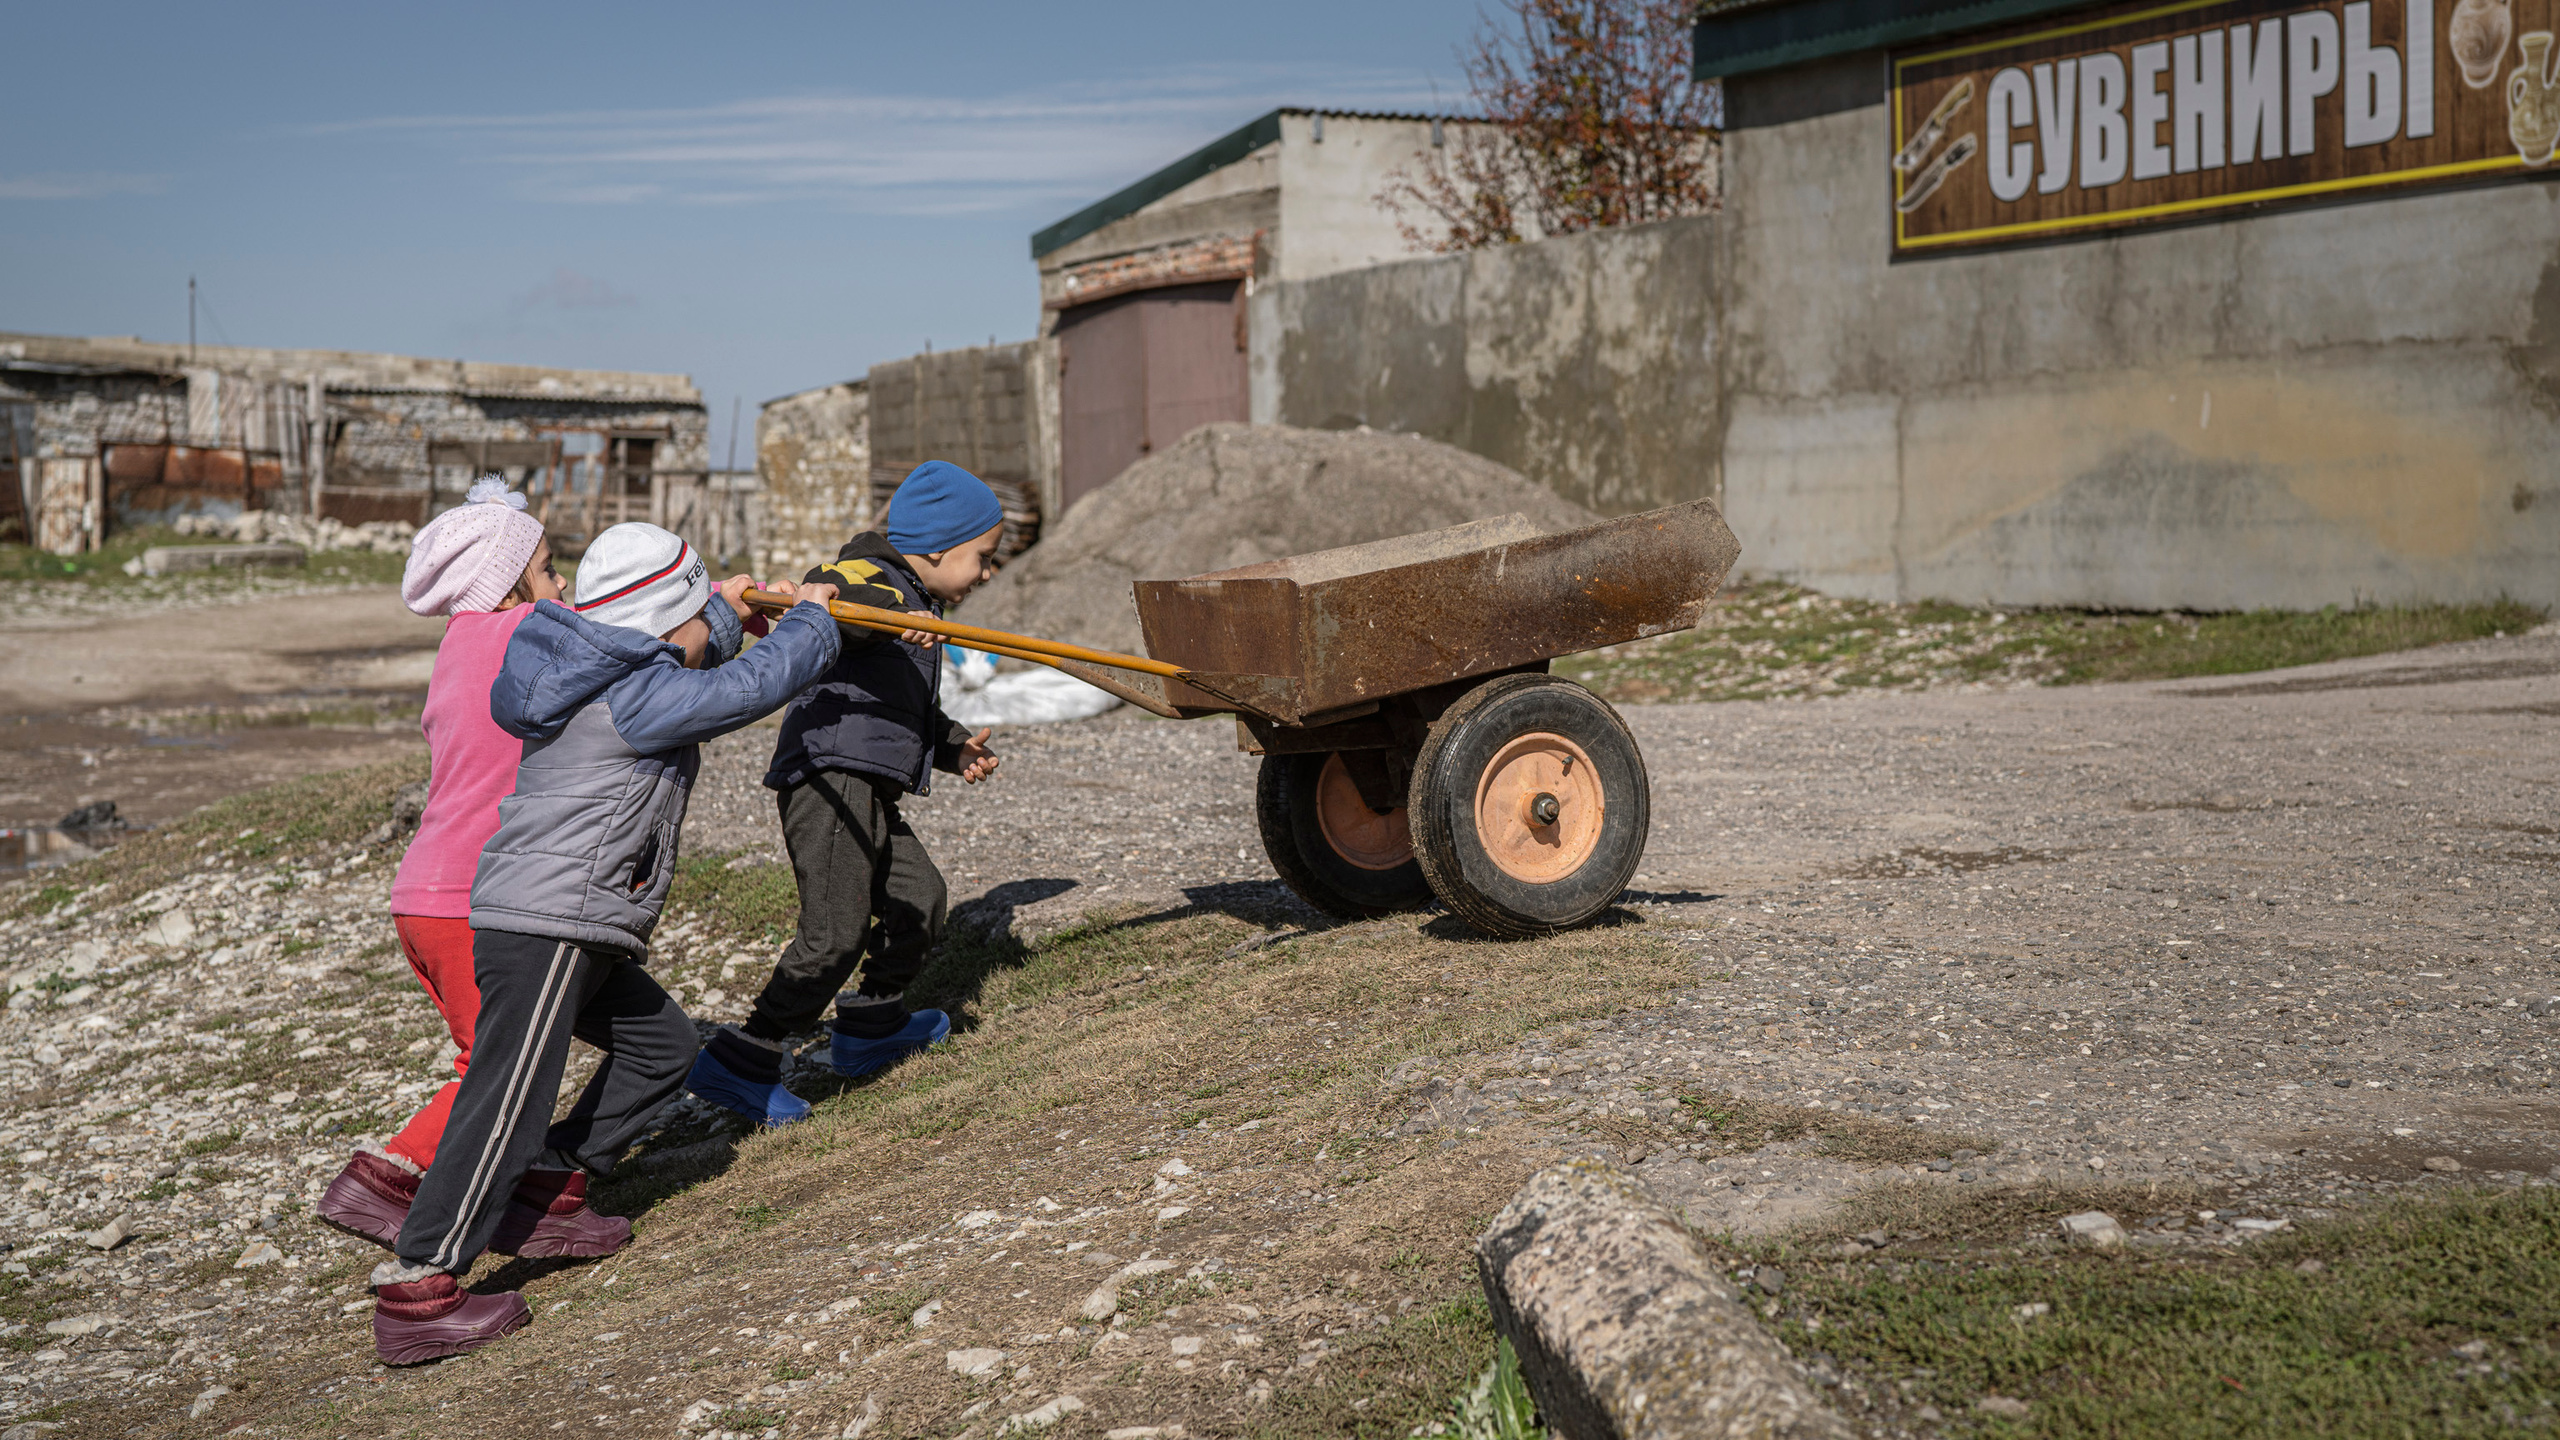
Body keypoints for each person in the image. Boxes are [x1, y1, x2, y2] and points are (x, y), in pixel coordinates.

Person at [368, 523, 842, 1365]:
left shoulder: (592, 663)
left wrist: (725, 612)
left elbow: (678, 649)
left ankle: (547, 1194)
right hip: (549, 921)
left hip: (559, 916)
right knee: (506, 1101)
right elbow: (745, 688)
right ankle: (419, 1287)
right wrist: (810, 620)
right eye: (695, 611)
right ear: (665, 618)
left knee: (660, 1047)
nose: (703, 628)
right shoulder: (637, 693)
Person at [316, 477, 626, 1261]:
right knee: (489, 1069)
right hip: (473, 895)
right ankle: (390, 1181)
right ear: (513, 581)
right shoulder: (533, 630)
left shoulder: (459, 646)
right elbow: (631, 628)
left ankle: (529, 1186)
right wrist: (725, 602)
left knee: (499, 1047)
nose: (561, 584)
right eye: (551, 568)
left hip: (420, 892)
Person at [684, 461, 1004, 1126]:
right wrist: (894, 614)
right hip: (827, 777)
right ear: (940, 547)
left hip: (864, 781)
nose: (988, 573)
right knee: (835, 932)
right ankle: (742, 1061)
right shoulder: (874, 574)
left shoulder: (918, 601)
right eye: (984, 558)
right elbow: (826, 590)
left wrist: (952, 748)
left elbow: (904, 706)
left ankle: (870, 1028)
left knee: (920, 899)